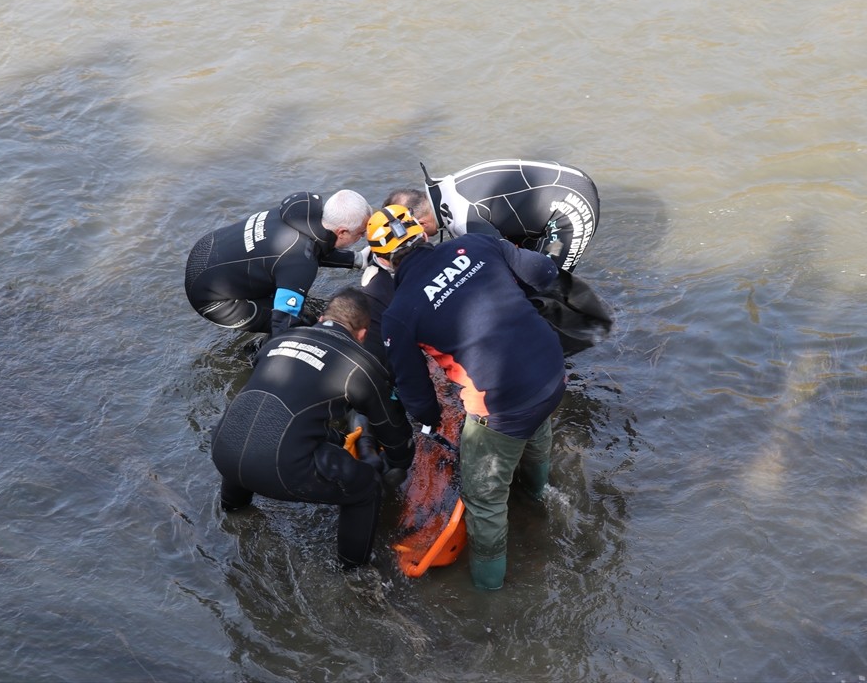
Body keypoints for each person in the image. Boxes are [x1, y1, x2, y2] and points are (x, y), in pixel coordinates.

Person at [367, 205, 566, 590]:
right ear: (424, 233)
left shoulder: (399, 313)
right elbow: (544, 272)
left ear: (381, 259)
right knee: (536, 424)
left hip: (500, 404)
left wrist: (428, 420)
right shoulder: (476, 244)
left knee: (485, 500)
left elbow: (415, 390)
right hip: (551, 370)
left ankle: (489, 593)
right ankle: (540, 495)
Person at [209, 288, 415, 568]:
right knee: (366, 487)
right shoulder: (358, 364)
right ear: (363, 334)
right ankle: (353, 572)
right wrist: (399, 462)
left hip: (223, 447)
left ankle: (233, 510)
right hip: (279, 467)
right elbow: (392, 428)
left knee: (252, 425)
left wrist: (338, 437)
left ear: (321, 318)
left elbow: (278, 405)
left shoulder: (278, 341)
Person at [184, 190, 372, 340]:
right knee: (306, 323)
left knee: (286, 281)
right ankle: (252, 356)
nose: (362, 237)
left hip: (207, 249)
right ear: (342, 232)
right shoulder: (300, 262)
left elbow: (312, 250)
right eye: (360, 233)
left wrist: (357, 260)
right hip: (210, 298)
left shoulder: (301, 210)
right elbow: (283, 323)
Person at [387, 159, 600, 272]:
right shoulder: (443, 189)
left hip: (571, 208)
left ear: (422, 223)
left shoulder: (462, 219)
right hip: (562, 182)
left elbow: (504, 261)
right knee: (528, 264)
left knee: (547, 281)